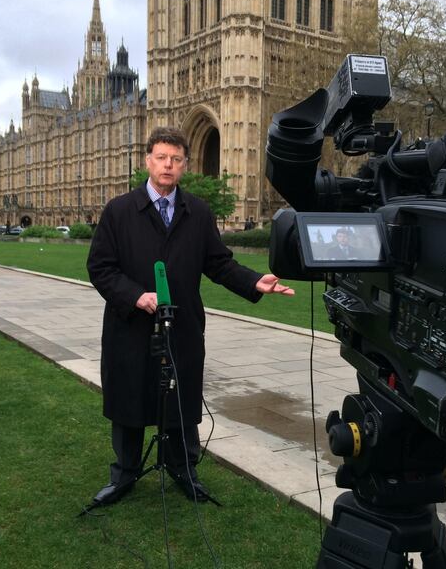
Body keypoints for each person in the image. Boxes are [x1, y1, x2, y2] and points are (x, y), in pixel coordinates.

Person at [86, 126, 294, 507]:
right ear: (147, 161)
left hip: (181, 327)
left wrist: (254, 282)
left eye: (176, 159)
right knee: (131, 401)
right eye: (161, 158)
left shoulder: (197, 211)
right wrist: (135, 296)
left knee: (180, 401)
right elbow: (100, 268)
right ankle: (125, 474)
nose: (168, 165)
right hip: (130, 327)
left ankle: (183, 469)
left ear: (185, 164)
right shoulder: (119, 211)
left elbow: (219, 264)